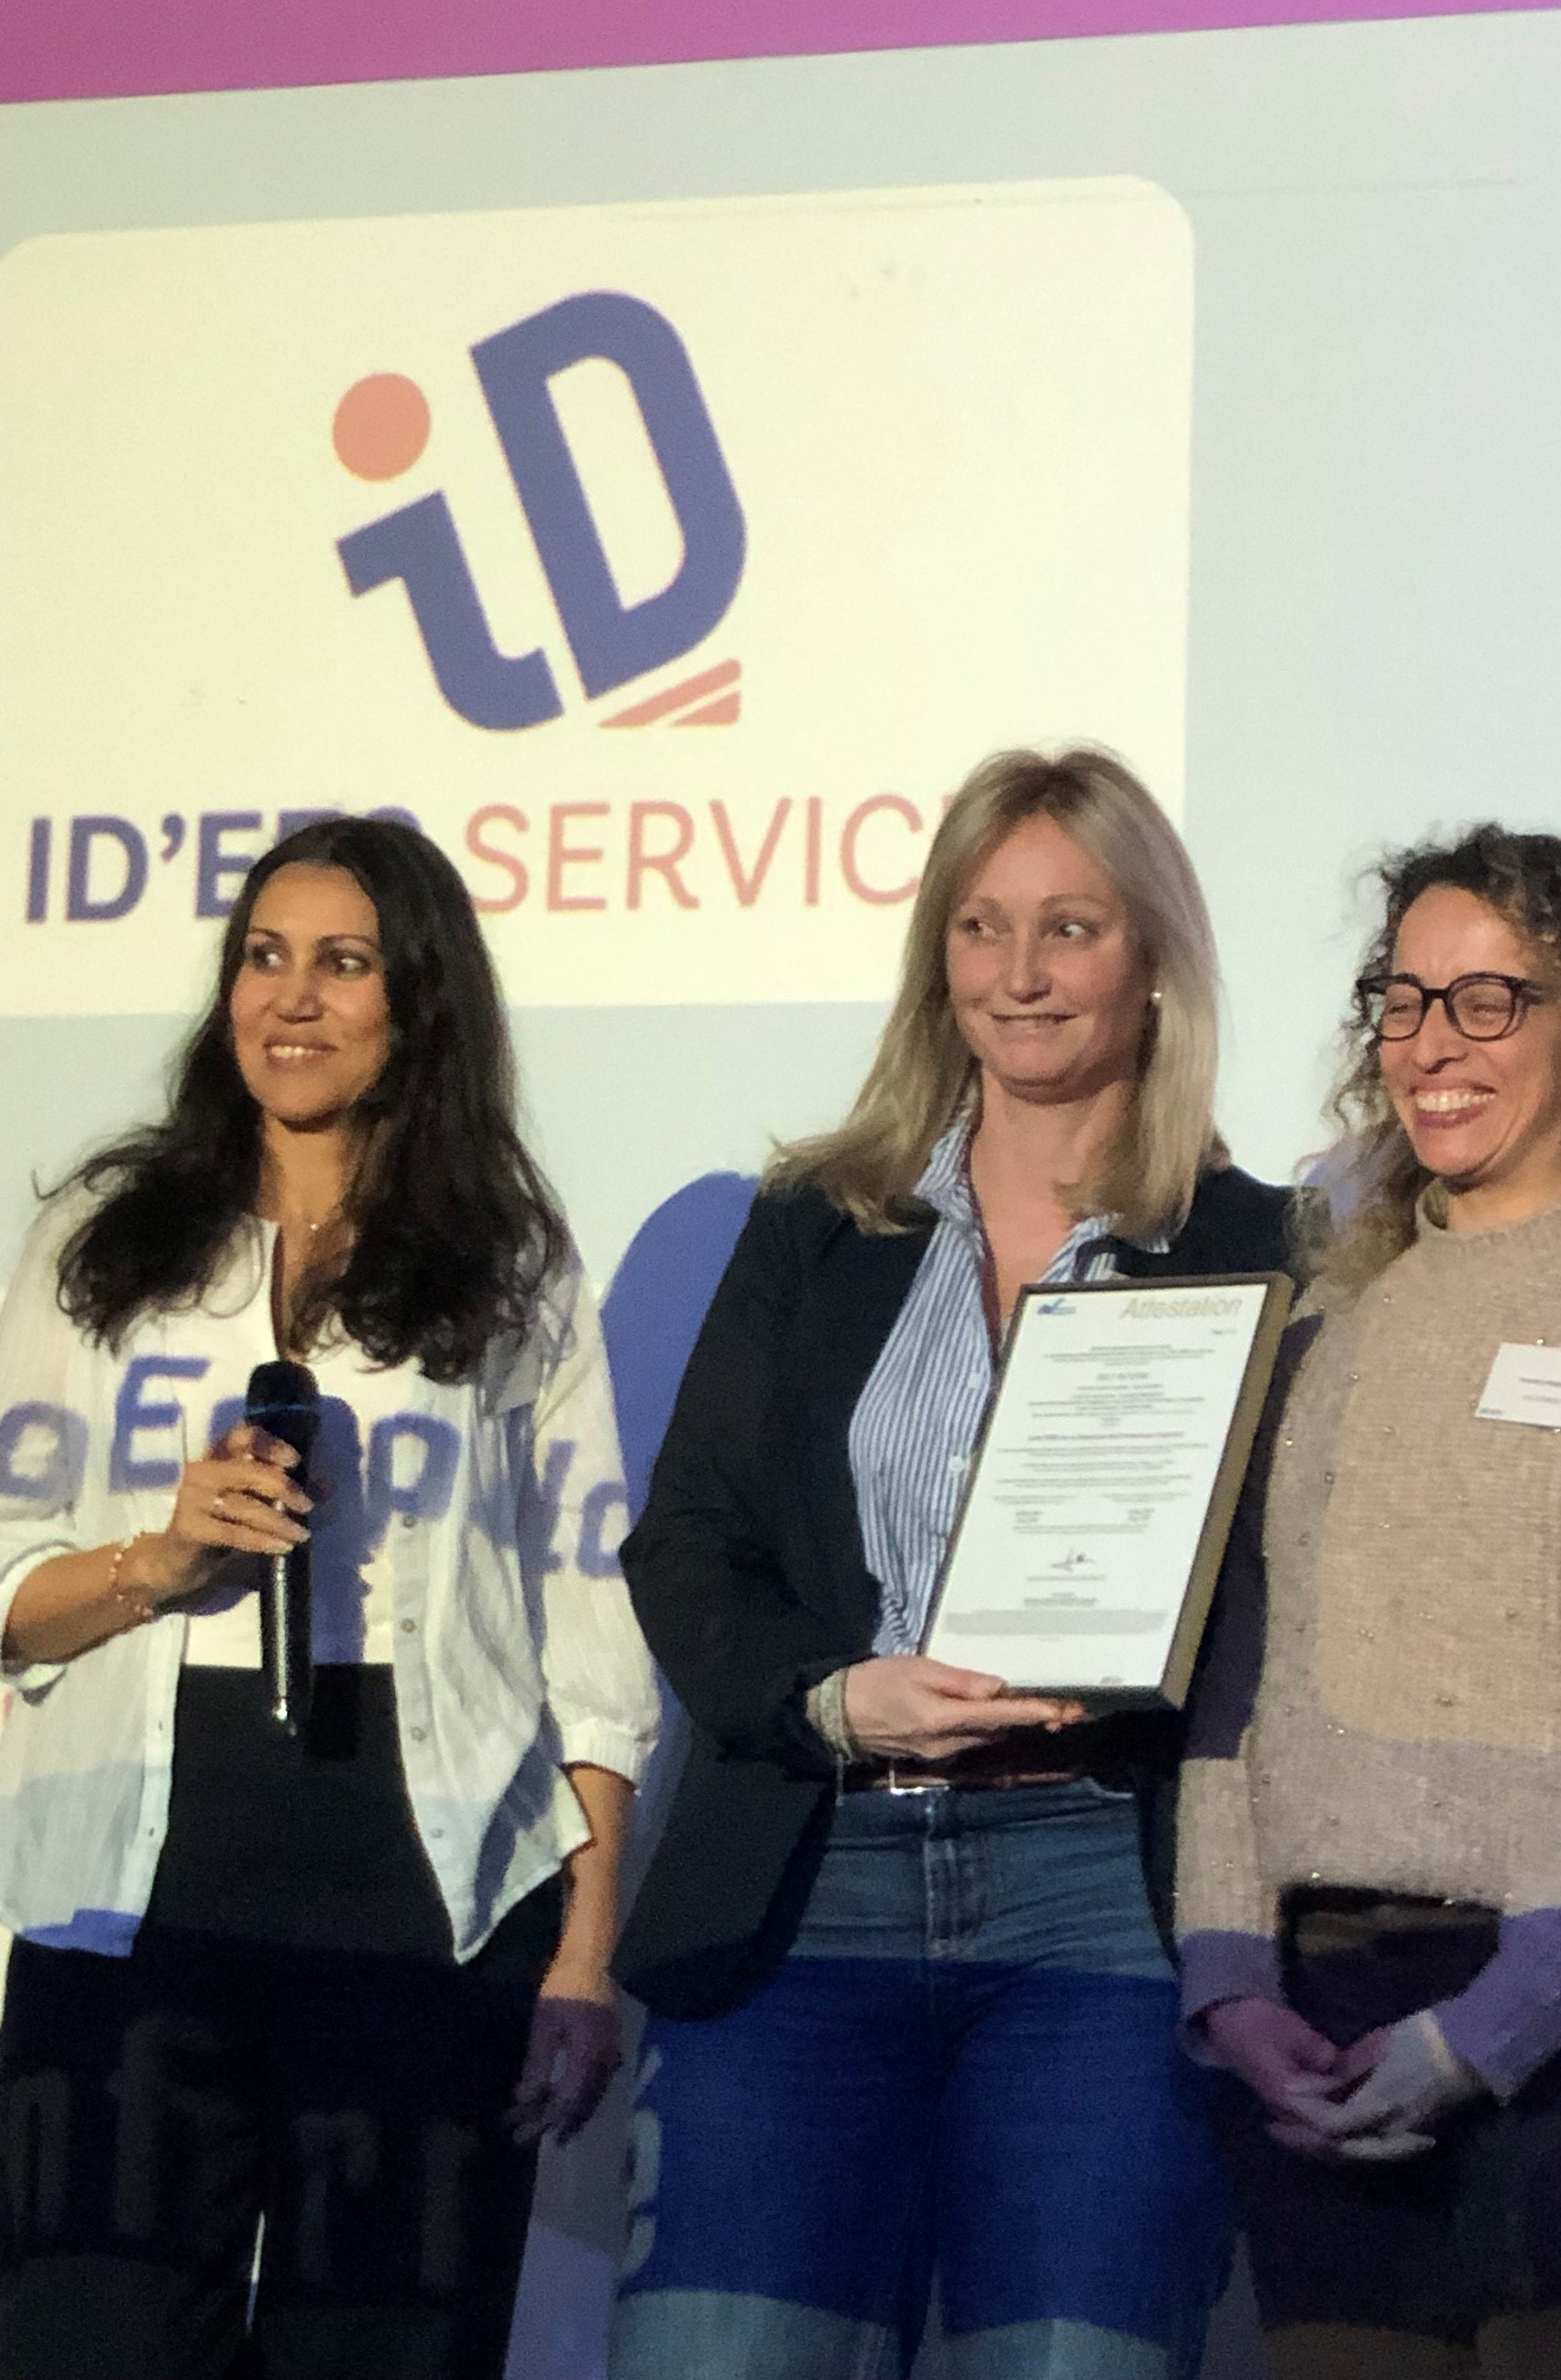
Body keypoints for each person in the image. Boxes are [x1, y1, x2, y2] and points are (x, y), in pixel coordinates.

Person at [612, 743, 1295, 2380]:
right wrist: (836, 1697)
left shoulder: (1256, 1247)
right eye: (981, 928)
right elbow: (689, 1544)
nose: (1020, 973)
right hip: (806, 1881)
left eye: (1071, 927)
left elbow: (1287, 1602)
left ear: (1154, 958)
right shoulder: (819, 1222)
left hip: (1105, 1900)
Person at [0, 812, 657, 2380]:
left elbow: (587, 1631)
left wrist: (582, 1954)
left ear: (416, 1003)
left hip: (425, 1898)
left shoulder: (510, 1262)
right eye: (263, 957)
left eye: (342, 963)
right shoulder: (105, 1241)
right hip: (132, 1897)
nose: (289, 1000)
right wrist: (160, 1563)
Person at [1181, 822, 1561, 2380]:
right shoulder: (1329, 1320)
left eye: (1490, 1000)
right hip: (1326, 2036)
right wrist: (1231, 1979)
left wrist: (1492, 2027)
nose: (1431, 1045)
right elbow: (1238, 1678)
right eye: (1403, 1001)